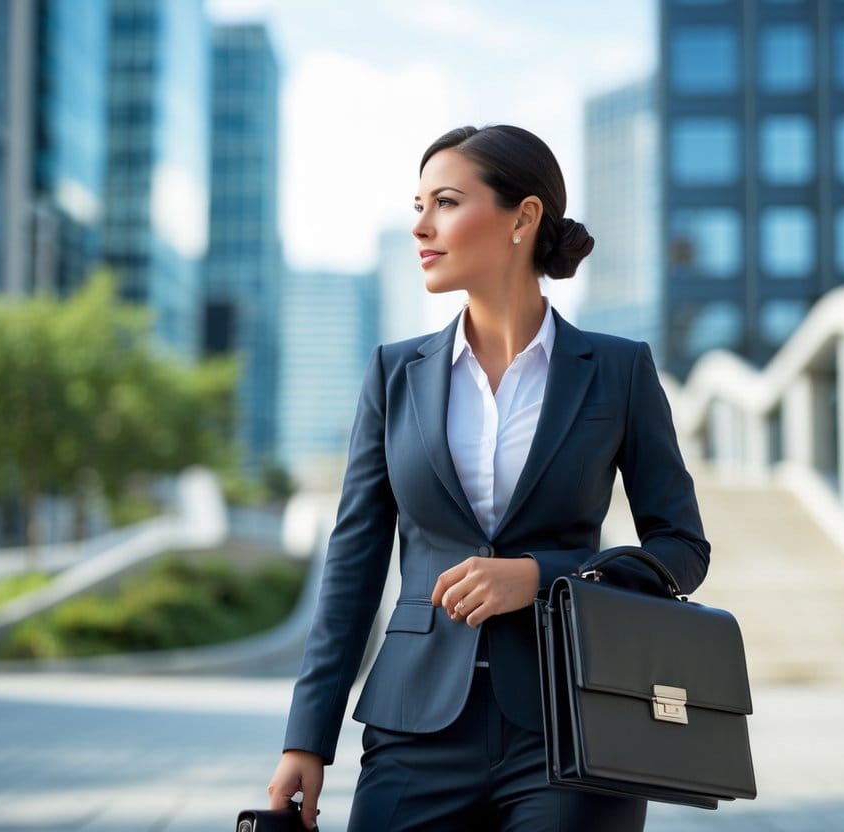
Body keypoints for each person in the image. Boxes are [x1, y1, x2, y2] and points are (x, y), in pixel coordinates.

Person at [266, 124, 710, 831]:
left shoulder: (618, 371)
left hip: (574, 721)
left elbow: (682, 549)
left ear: (522, 217)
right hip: (414, 727)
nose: (420, 225)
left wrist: (542, 575)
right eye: (418, 205)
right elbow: (352, 564)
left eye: (444, 202)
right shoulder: (394, 372)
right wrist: (306, 736)